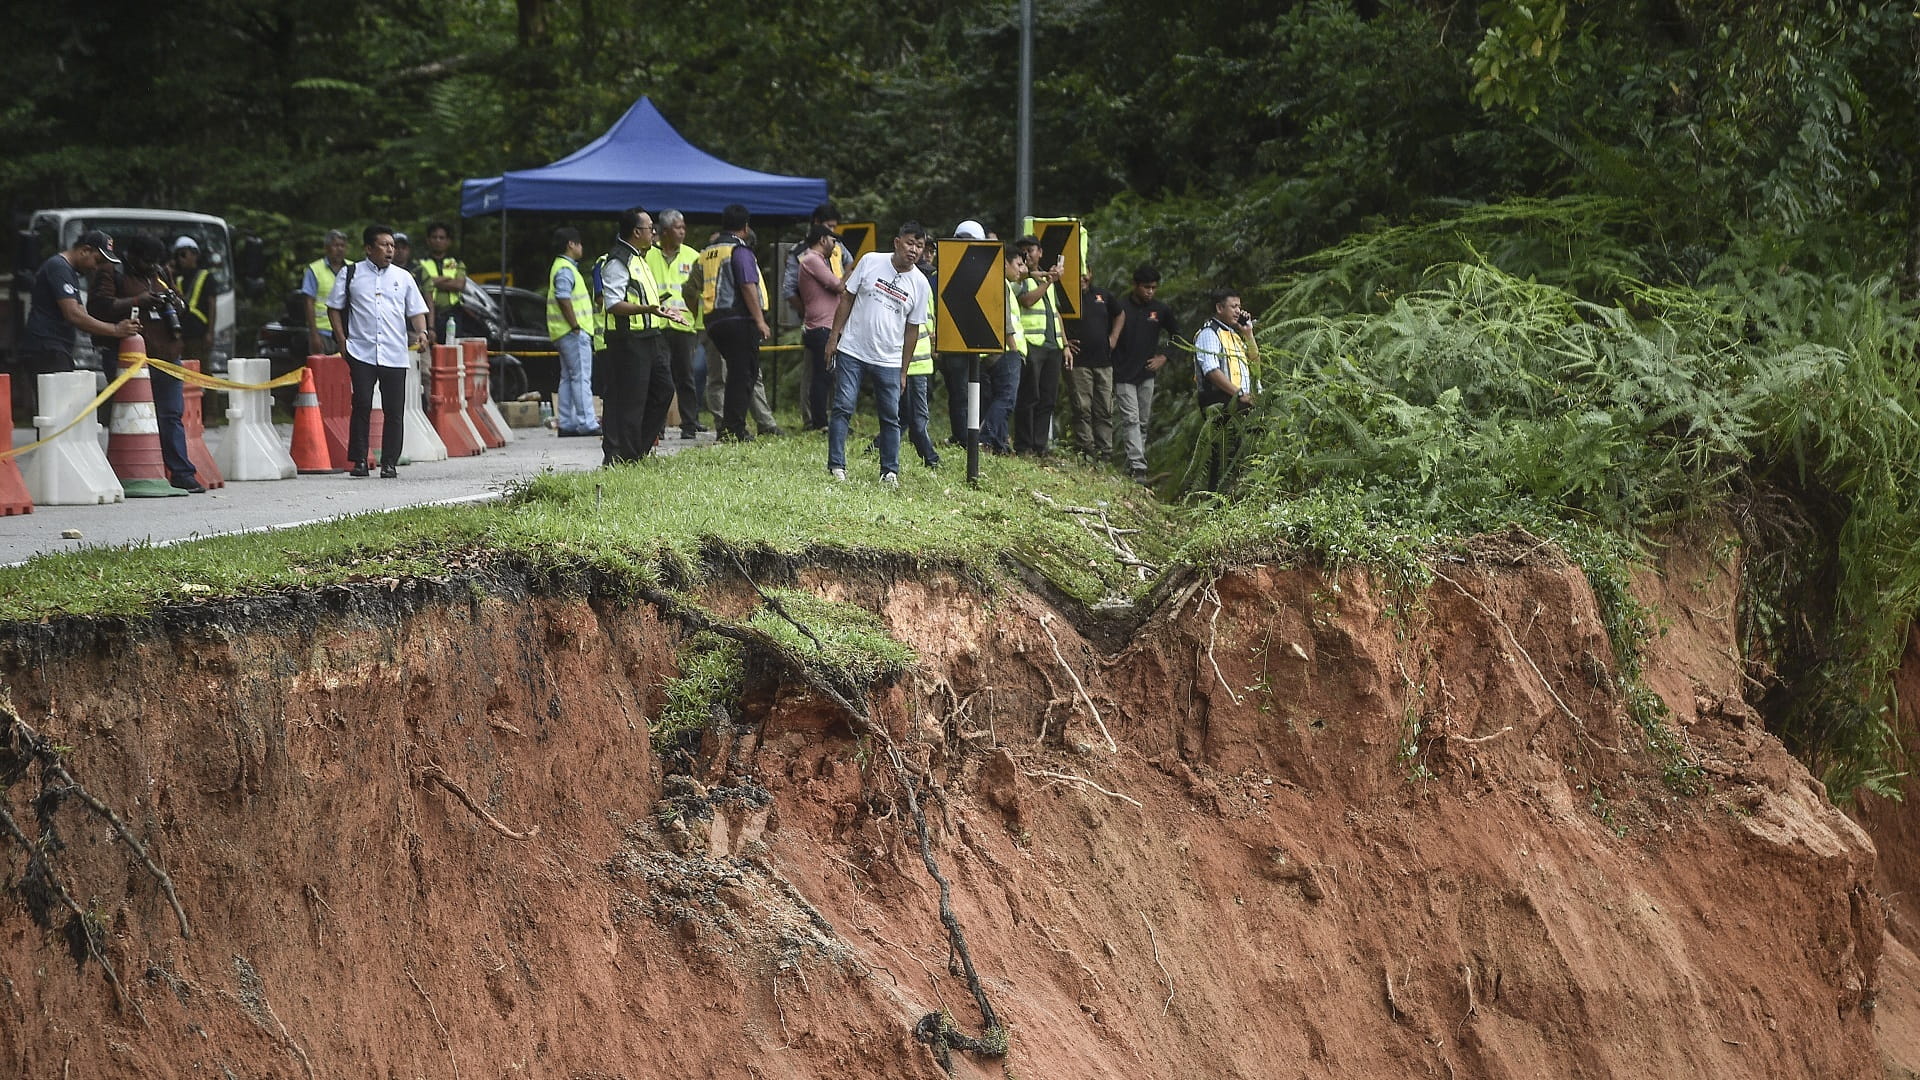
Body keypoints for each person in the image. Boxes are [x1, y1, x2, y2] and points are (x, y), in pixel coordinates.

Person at [91, 233, 203, 492]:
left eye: (155, 262)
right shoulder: (112, 271)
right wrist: (137, 301)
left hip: (167, 355)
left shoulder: (161, 272)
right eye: (146, 262)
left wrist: (174, 302)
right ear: (132, 255)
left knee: (171, 414)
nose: (151, 267)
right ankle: (127, 472)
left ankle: (182, 473)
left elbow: (180, 303)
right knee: (131, 415)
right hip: (128, 357)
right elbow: (98, 307)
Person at [823, 221, 932, 485]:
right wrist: (834, 336)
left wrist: (904, 370)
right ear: (897, 243)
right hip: (853, 349)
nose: (914, 250)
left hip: (889, 359)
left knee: (890, 416)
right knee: (843, 406)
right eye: (910, 243)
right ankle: (836, 466)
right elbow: (847, 298)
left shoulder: (920, 283)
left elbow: (912, 330)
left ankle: (889, 471)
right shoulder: (871, 261)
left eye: (919, 246)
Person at [326, 224, 430, 478]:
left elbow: (416, 310)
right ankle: (360, 460)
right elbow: (333, 307)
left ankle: (390, 462)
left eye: (392, 245)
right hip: (361, 351)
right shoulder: (351, 274)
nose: (390, 250)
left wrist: (423, 332)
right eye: (384, 245)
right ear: (368, 248)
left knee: (394, 409)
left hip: (395, 352)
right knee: (361, 403)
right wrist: (341, 340)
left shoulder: (403, 277)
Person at [12, 230, 139, 422]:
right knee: (54, 415)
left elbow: (82, 314)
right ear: (84, 250)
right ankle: (51, 452)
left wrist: (109, 330)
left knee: (60, 414)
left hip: (56, 348)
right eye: (97, 260)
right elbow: (73, 314)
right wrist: (114, 330)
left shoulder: (69, 272)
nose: (97, 268)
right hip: (47, 348)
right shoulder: (59, 268)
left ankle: (54, 451)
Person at [600, 207, 685, 465]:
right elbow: (613, 304)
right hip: (628, 339)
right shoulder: (618, 261)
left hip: (649, 335)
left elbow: (644, 299)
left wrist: (660, 308)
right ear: (637, 232)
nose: (654, 232)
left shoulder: (642, 258)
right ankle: (620, 456)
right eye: (650, 228)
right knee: (629, 400)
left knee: (663, 390)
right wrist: (647, 309)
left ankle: (636, 450)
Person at [692, 205, 772, 442]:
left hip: (713, 321)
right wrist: (760, 320)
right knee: (744, 374)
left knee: (735, 373)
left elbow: (691, 287)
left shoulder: (706, 253)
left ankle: (729, 427)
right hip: (737, 319)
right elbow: (748, 285)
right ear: (745, 227)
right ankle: (733, 429)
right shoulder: (739, 250)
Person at [782, 202, 854, 428]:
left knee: (833, 374)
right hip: (820, 323)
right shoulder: (805, 255)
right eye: (829, 229)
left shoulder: (838, 250)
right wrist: (808, 312)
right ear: (819, 231)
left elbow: (850, 269)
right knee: (817, 375)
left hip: (836, 321)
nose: (834, 236)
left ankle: (834, 418)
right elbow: (789, 289)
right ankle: (813, 419)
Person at [1111, 264, 1178, 482]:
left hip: (1147, 373)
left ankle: (1133, 465)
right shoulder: (1120, 308)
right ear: (1135, 286)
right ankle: (1139, 467)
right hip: (1123, 372)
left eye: (1154, 288)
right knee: (1130, 419)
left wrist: (1164, 356)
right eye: (1146, 287)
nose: (1150, 291)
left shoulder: (1160, 310)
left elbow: (1178, 335)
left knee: (1143, 421)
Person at [1194, 286, 1261, 490]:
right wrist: (1239, 394)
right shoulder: (1209, 333)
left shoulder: (1234, 335)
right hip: (1219, 399)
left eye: (1239, 306)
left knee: (1238, 449)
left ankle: (1231, 495)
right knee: (1224, 451)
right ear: (1219, 308)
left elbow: (1255, 364)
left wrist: (1248, 334)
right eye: (1233, 306)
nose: (1238, 311)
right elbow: (1211, 370)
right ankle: (1217, 498)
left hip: (1238, 399)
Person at [1011, 235, 1073, 455]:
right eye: (1023, 251)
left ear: (1041, 252)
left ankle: (1040, 445)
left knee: (1048, 397)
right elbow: (1027, 300)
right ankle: (1024, 444)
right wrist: (1049, 281)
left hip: (1052, 346)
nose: (1028, 255)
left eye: (1032, 250)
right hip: (1032, 344)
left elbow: (1056, 313)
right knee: (1029, 396)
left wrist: (1065, 344)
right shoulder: (1020, 279)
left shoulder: (1047, 278)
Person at [646, 209, 705, 438]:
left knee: (686, 377)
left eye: (683, 228)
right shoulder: (648, 255)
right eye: (678, 228)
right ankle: (656, 427)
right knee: (659, 378)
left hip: (684, 325)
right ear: (665, 231)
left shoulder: (692, 256)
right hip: (657, 324)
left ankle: (689, 424)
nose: (683, 232)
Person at [937, 219, 989, 444]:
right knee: (960, 393)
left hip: (977, 343)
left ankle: (970, 435)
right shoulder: (943, 272)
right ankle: (962, 437)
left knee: (975, 393)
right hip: (952, 343)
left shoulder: (986, 270)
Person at [544, 227, 599, 437]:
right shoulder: (566, 269)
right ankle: (587, 423)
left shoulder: (561, 267)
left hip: (563, 332)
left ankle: (567, 423)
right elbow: (563, 298)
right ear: (571, 244)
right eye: (579, 243)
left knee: (567, 378)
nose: (581, 247)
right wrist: (575, 325)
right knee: (581, 377)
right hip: (572, 332)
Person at [977, 243, 1029, 455]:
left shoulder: (997, 282)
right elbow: (1005, 321)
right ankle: (986, 438)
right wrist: (1014, 350)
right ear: (1004, 263)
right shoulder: (1000, 284)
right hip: (1006, 350)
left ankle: (1000, 444)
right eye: (1017, 264)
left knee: (998, 397)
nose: (1021, 269)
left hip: (994, 350)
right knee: (1007, 399)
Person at [1067, 271, 1123, 459]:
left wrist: (1113, 337)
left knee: (1105, 408)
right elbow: (1055, 315)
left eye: (1085, 274)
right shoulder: (1066, 295)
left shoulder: (1103, 295)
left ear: (1091, 274)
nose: (1082, 278)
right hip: (1079, 362)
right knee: (1082, 407)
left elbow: (1120, 313)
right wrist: (1065, 341)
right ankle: (1086, 449)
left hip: (1104, 362)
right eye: (1079, 274)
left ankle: (1105, 452)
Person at [794, 223, 844, 431]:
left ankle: (824, 420)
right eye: (833, 241)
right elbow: (838, 285)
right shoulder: (812, 259)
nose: (834, 246)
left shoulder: (817, 260)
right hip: (821, 326)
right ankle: (819, 422)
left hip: (825, 326)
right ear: (823, 240)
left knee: (827, 374)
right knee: (822, 375)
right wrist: (851, 271)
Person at [418, 221, 473, 343]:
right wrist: (447, 280)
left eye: (442, 238)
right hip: (427, 314)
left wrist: (433, 281)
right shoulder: (420, 264)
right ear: (428, 240)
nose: (438, 241)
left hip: (452, 313)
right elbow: (420, 284)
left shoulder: (456, 263)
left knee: (452, 350)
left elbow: (459, 285)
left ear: (448, 241)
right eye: (434, 237)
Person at [300, 229, 348, 357]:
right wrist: (313, 334)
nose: (339, 249)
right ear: (326, 248)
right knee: (321, 373)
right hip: (322, 332)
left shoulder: (352, 268)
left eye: (342, 246)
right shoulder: (315, 270)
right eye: (335, 245)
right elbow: (308, 303)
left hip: (347, 333)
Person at [170, 237, 214, 365]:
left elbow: (212, 304)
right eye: (178, 255)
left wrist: (210, 333)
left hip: (198, 333)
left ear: (195, 254)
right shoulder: (177, 278)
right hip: (181, 334)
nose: (180, 259)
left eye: (184, 254)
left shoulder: (205, 276)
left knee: (202, 368)